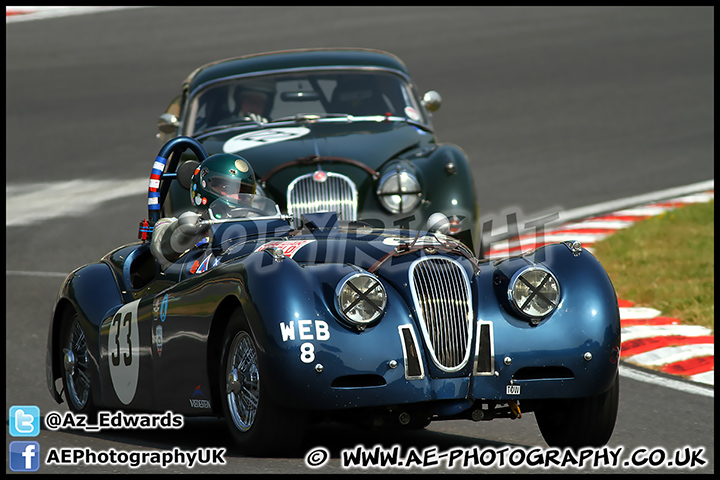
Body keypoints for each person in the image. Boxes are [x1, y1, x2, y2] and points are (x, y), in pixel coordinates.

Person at [150, 153, 258, 270]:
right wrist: (185, 230)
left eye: (244, 191)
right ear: (204, 185)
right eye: (228, 188)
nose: (237, 197)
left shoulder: (255, 226)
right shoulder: (180, 224)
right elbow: (159, 246)